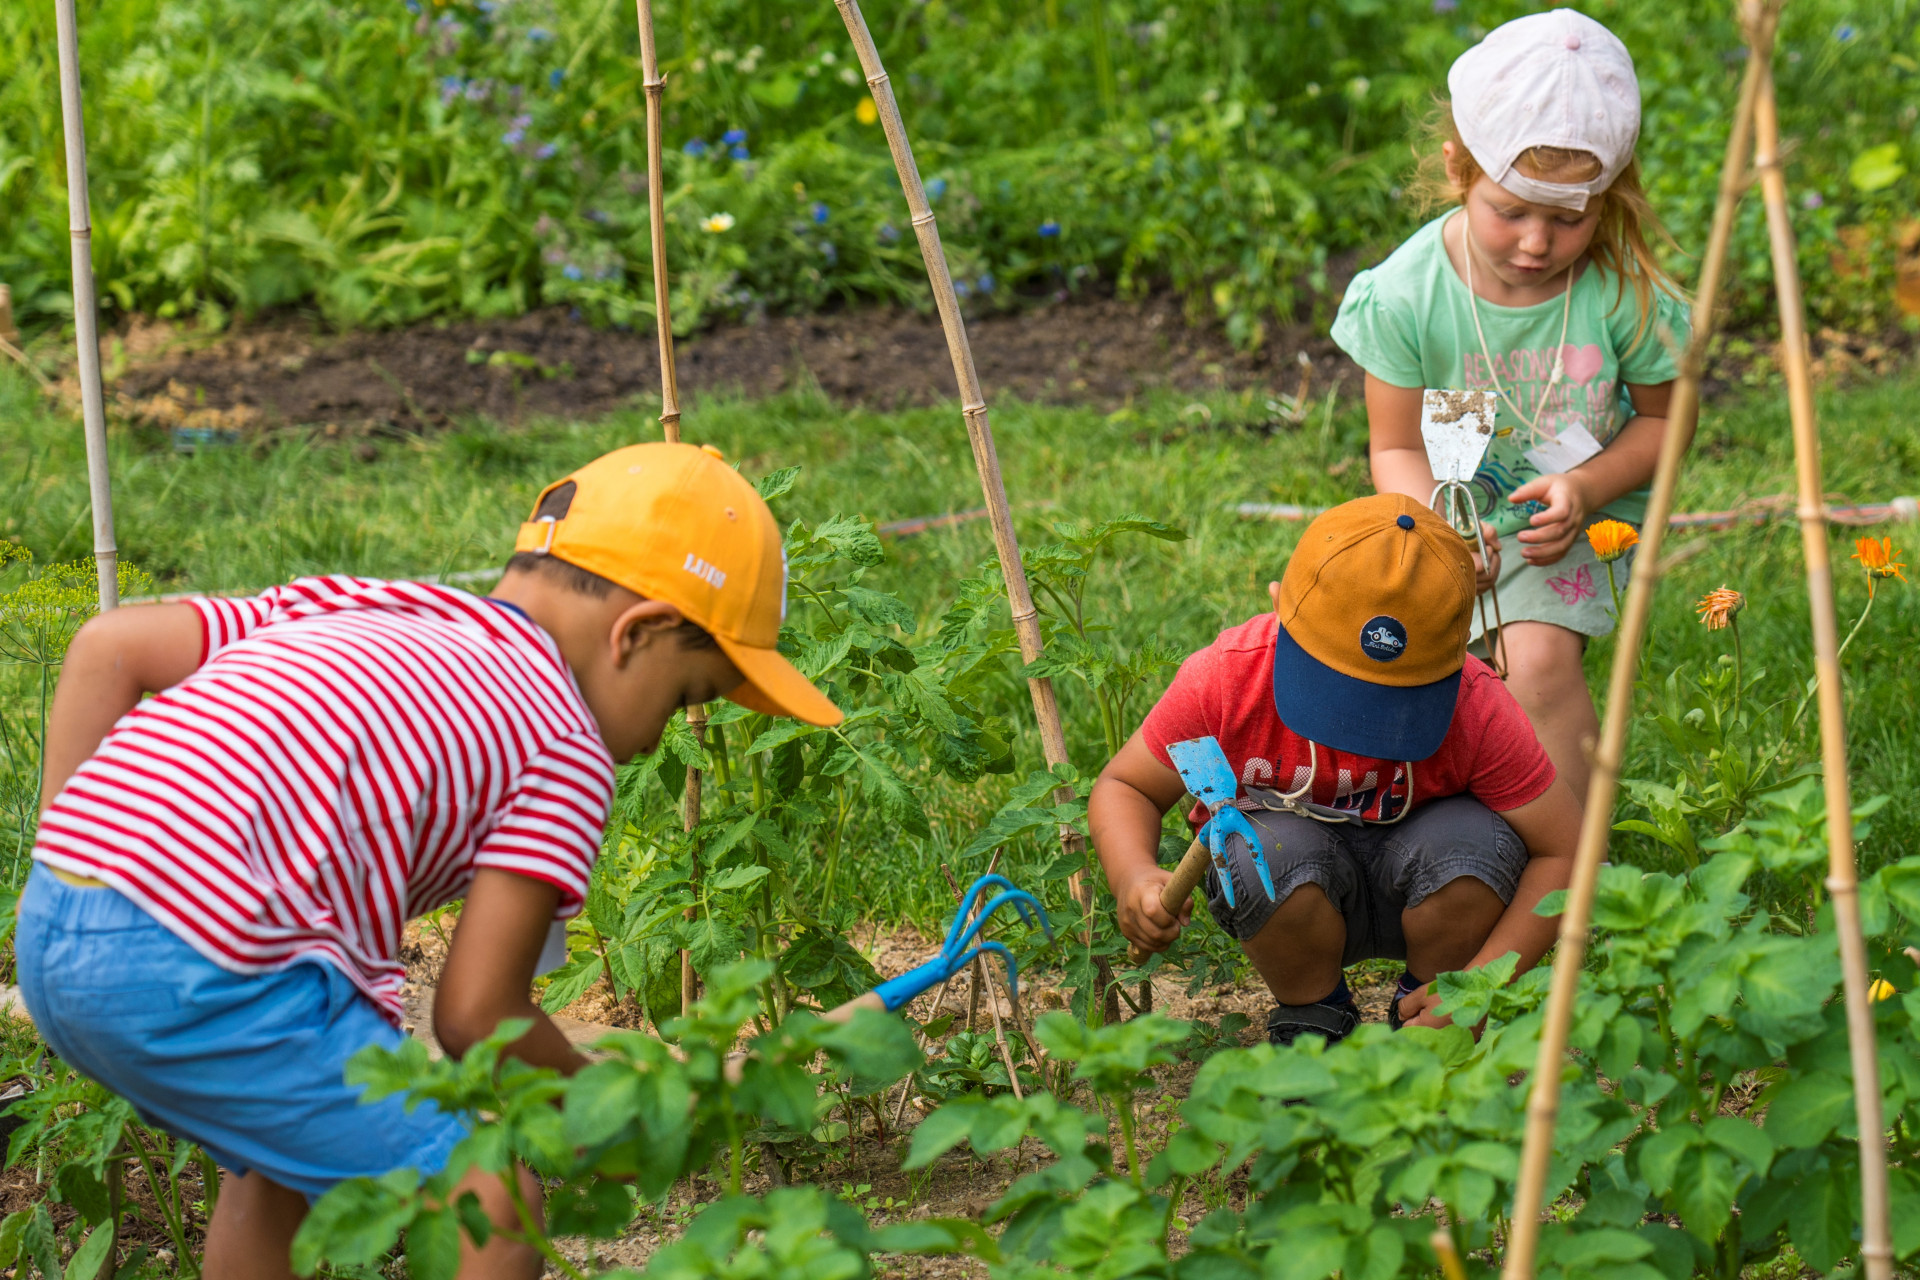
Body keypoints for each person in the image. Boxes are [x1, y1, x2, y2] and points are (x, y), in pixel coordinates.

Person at [18, 442, 841, 1280]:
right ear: (638, 632)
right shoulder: (562, 743)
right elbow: (476, 1015)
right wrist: (611, 1114)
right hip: (203, 961)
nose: (660, 736)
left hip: (61, 918)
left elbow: (108, 648)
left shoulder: (367, 604)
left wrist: (86, 884)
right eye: (683, 698)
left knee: (281, 1172)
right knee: (491, 1195)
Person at [1330, 8, 1689, 803]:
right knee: (1401, 658)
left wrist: (1585, 489)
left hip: (1566, 527)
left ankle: (1570, 852)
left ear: (1609, 196)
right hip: (1440, 516)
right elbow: (1393, 449)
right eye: (1512, 211)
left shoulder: (1619, 291)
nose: (1536, 243)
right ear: (1459, 169)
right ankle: (1453, 816)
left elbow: (1668, 421)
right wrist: (1440, 529)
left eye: (1569, 219)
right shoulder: (1405, 297)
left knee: (1534, 661)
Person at [1091, 495, 1579, 1046]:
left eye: (1394, 703)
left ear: (1457, 650)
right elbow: (1126, 785)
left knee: (1472, 847)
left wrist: (1481, 985)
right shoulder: (1229, 679)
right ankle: (1314, 1017)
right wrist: (1131, 873)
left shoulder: (1475, 703)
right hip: (1293, 891)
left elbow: (1565, 852)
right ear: (1279, 605)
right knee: (1263, 851)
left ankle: (1429, 1020)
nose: (1358, 725)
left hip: (1427, 880)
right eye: (1332, 690)